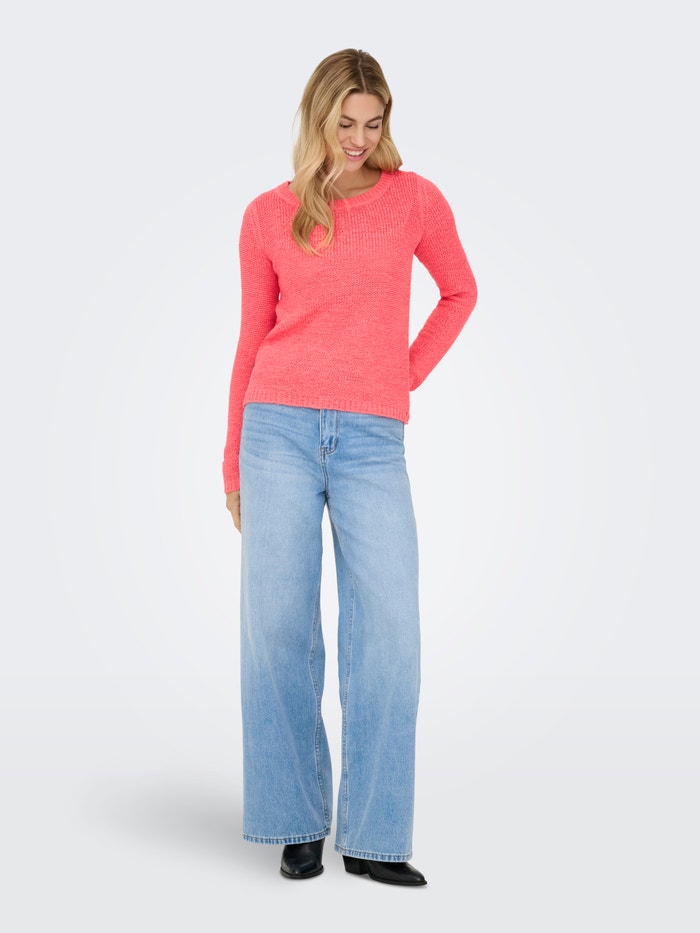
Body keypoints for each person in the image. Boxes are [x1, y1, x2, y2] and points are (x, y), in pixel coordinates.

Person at [222, 48, 477, 886]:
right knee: (277, 627)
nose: (360, 138)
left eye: (373, 122)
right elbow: (251, 338)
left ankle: (372, 834)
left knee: (390, 632)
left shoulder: (415, 200)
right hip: (276, 431)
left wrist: (402, 373)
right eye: (345, 123)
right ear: (317, 119)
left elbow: (460, 291)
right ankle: (296, 820)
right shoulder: (268, 214)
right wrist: (232, 460)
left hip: (372, 441)